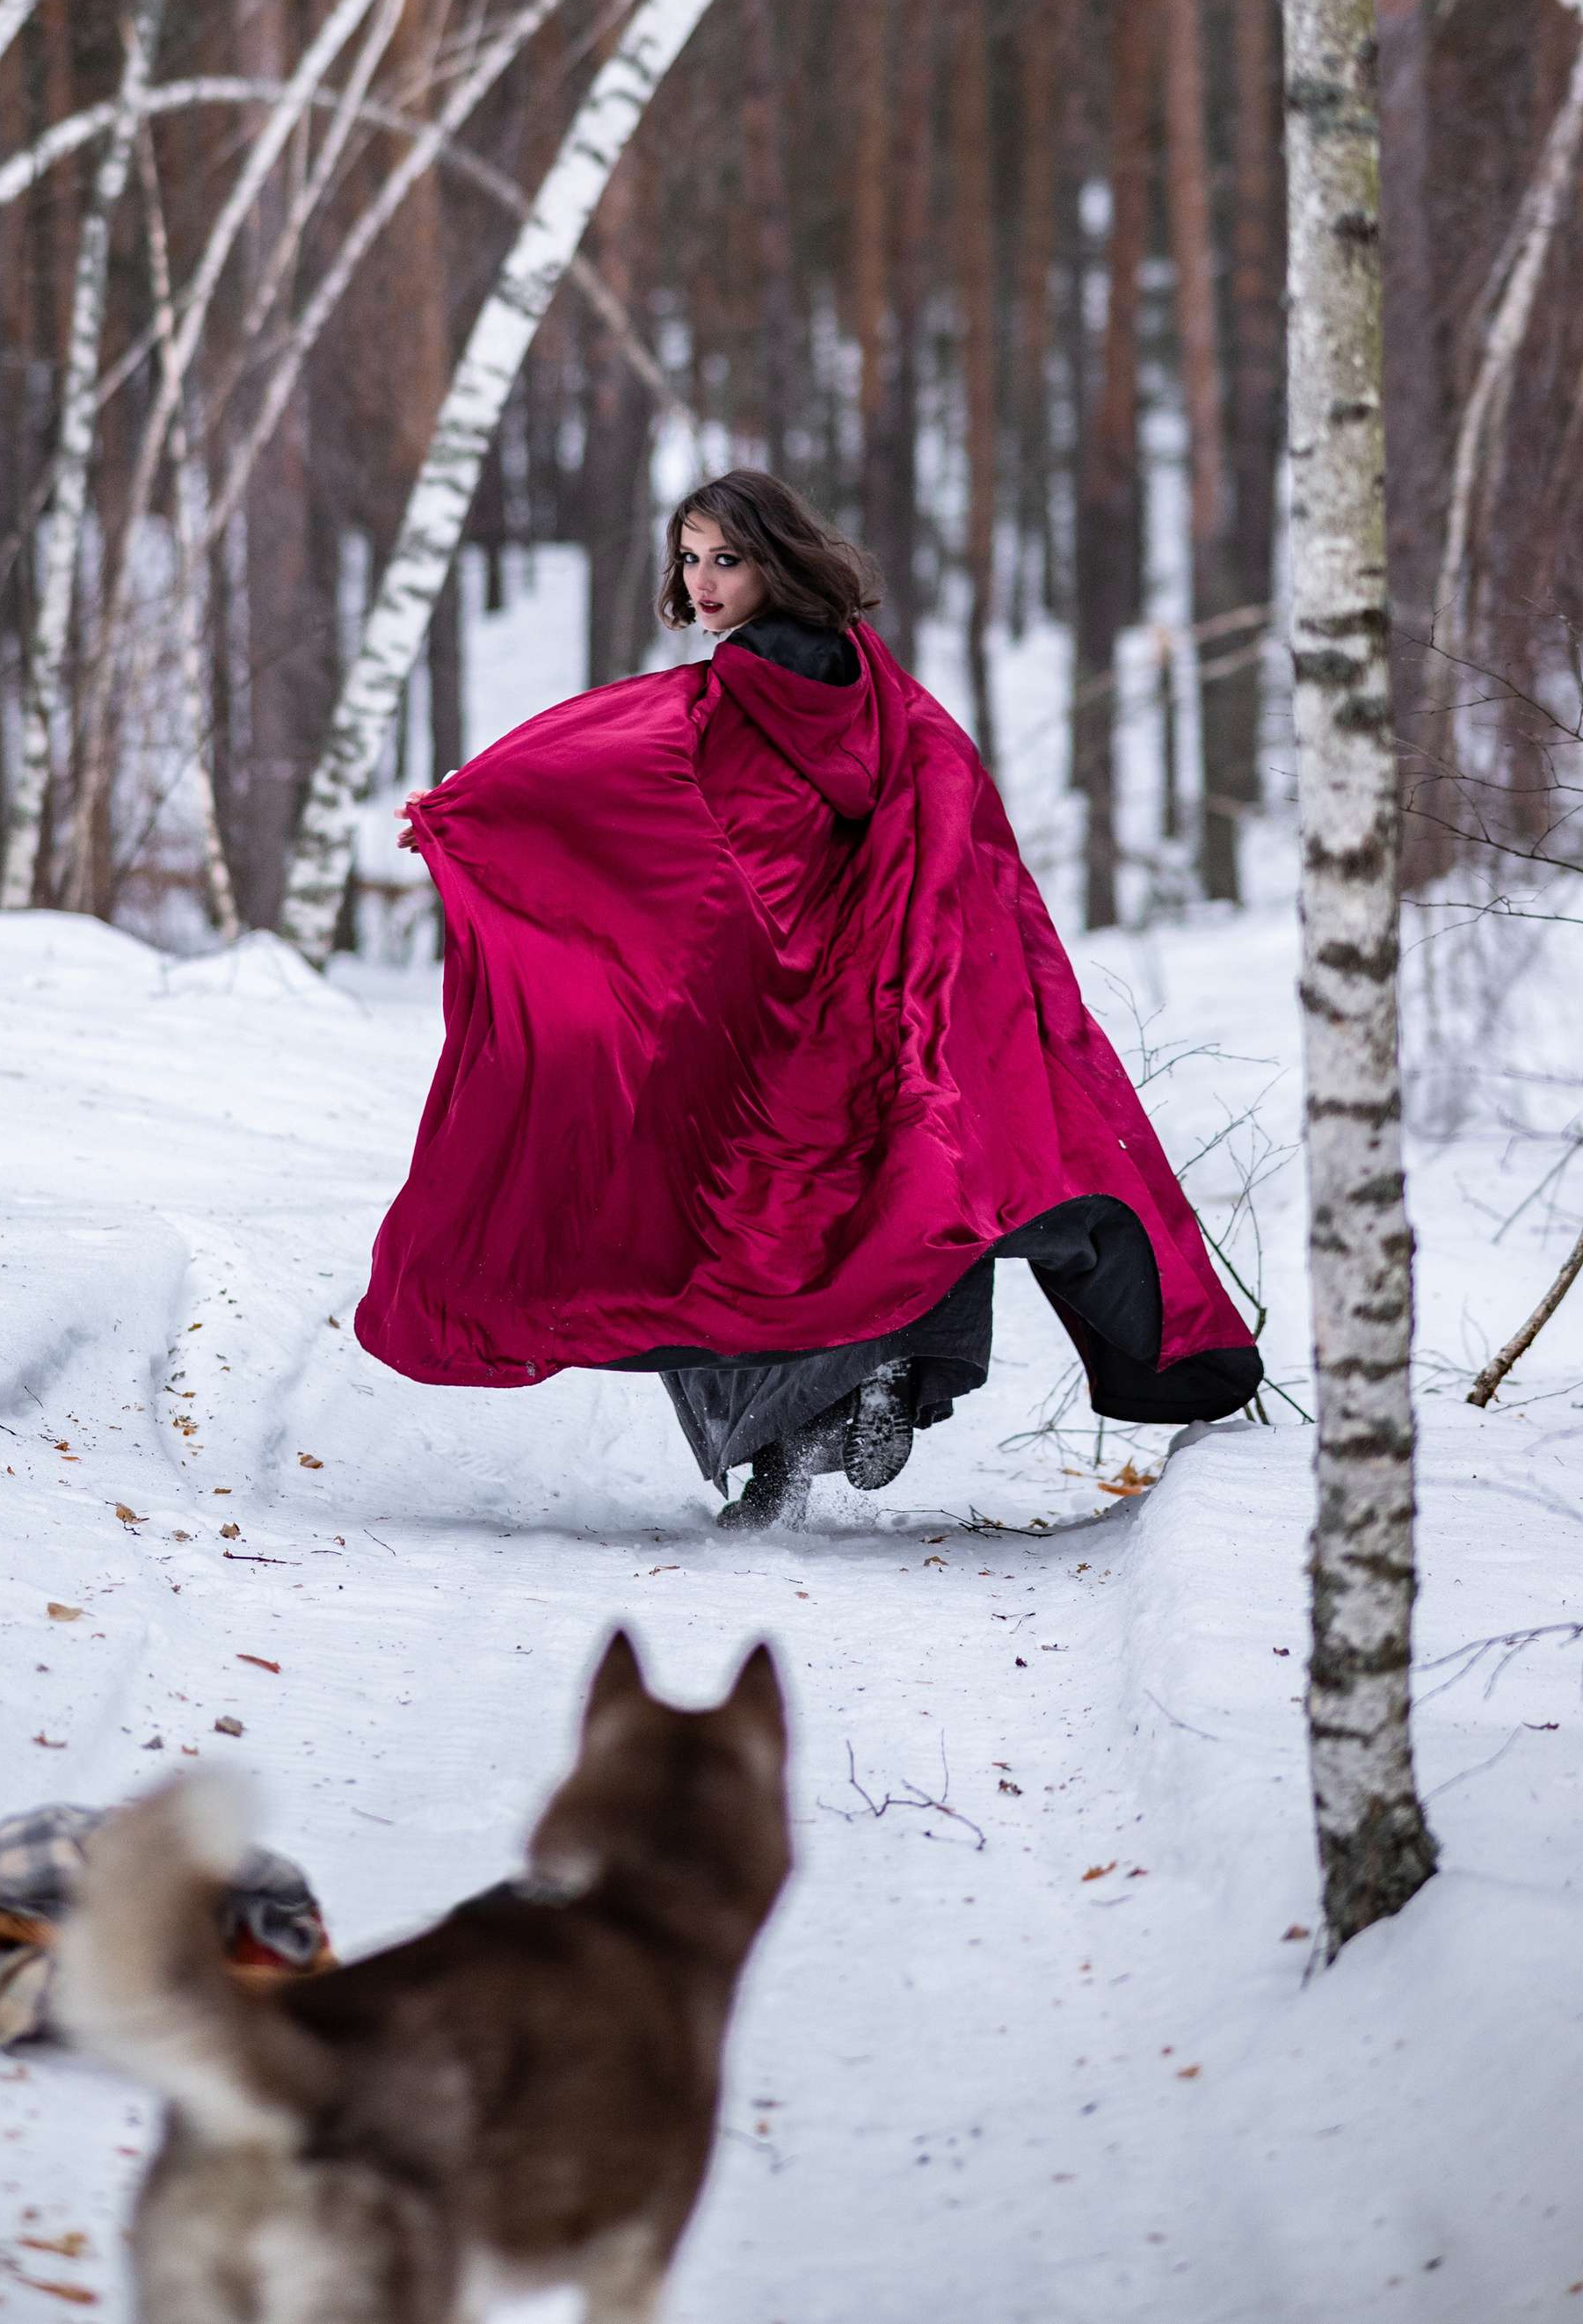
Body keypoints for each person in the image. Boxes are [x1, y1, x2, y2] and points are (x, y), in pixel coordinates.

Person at [365, 469, 1261, 1532]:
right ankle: (889, 1379)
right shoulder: (889, 700)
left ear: (776, 561)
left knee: (691, 1213)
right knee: (916, 1185)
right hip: (885, 1004)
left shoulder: (715, 705)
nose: (700, 583)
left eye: (724, 559)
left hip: (771, 1013)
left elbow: (606, 797)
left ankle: (780, 1453)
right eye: (688, 558)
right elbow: (953, 843)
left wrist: (469, 821)